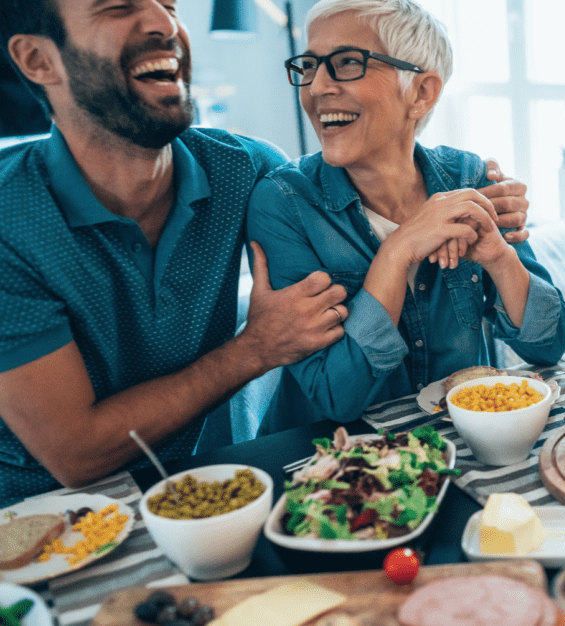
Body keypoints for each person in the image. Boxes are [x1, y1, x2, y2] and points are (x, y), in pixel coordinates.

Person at [0, 0, 528, 506]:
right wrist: (255, 349)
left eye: (169, 2)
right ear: (37, 59)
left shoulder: (243, 170)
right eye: (117, 5)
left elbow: (339, 182)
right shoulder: (10, 220)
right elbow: (77, 453)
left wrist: (482, 195)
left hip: (211, 487)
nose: (165, 20)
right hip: (41, 521)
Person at [247, 0, 565, 434]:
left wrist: (499, 258)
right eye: (309, 65)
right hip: (331, 466)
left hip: (463, 447)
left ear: (421, 93)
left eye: (346, 62)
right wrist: (397, 251)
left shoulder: (468, 177)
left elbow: (548, 346)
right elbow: (334, 396)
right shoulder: (283, 202)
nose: (316, 86)